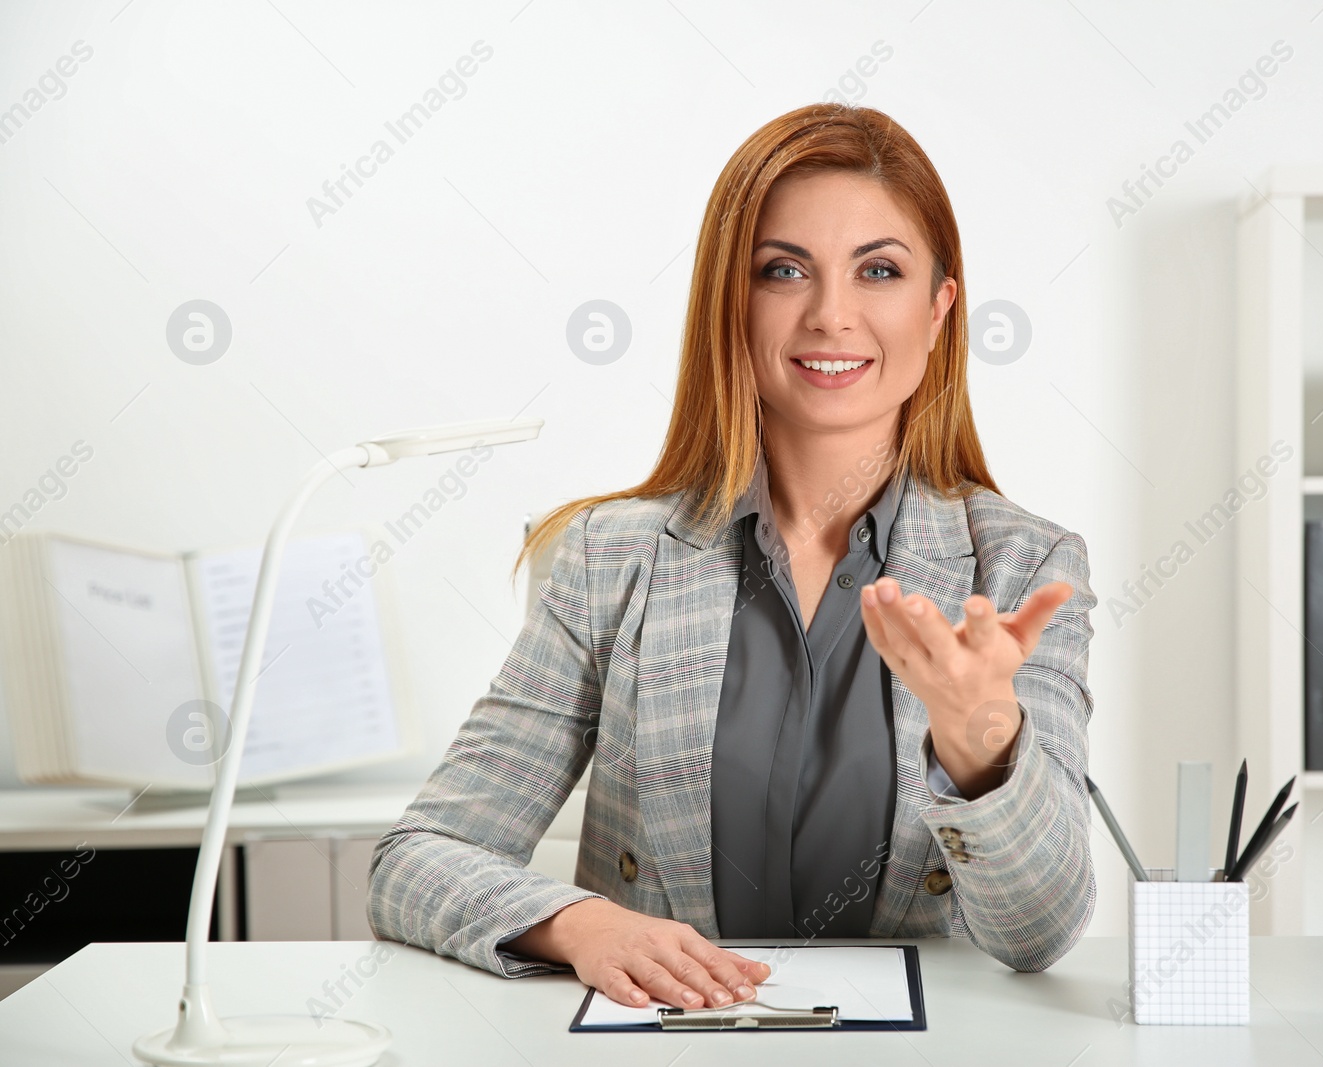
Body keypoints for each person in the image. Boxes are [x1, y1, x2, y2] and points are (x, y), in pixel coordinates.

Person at [367, 101, 1097, 1014]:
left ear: (940, 308)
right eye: (783, 270)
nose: (832, 315)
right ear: (731, 301)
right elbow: (416, 859)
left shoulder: (1025, 568)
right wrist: (585, 925)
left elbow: (1043, 931)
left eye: (879, 270)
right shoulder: (611, 557)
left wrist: (981, 735)